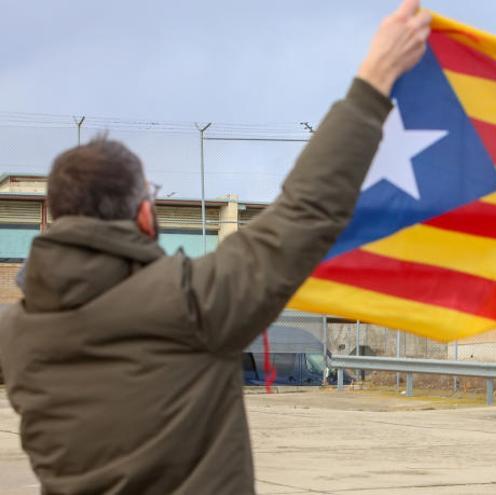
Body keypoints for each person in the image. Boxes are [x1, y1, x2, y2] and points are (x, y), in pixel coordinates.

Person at [0, 1, 431, 493]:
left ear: (56, 217)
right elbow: (304, 212)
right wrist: (374, 80)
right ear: (144, 213)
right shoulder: (189, 303)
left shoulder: (17, 335)